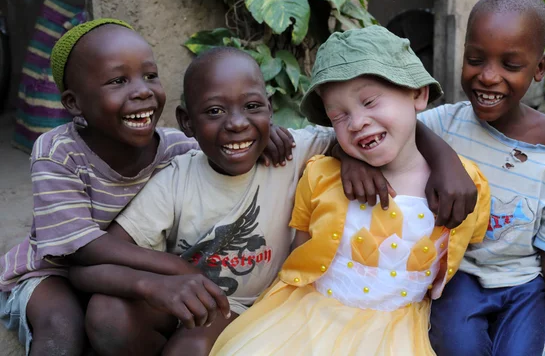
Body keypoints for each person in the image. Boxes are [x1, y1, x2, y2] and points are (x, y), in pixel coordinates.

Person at [71, 45, 484, 356]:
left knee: (191, 349)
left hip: (255, 309)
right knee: (108, 315)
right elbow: (86, 268)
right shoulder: (176, 182)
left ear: (271, 111)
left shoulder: (298, 151)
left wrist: (373, 159)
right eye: (214, 111)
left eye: (251, 108)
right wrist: (161, 280)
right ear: (186, 123)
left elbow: (377, 132)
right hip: (204, 302)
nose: (236, 124)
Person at [0, 19, 296, 356]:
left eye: (150, 75)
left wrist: (261, 133)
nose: (142, 90)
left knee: (117, 319)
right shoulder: (57, 153)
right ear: (74, 103)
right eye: (118, 80)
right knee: (62, 326)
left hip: (123, 274)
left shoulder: (175, 146)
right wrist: (175, 271)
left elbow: (225, 140)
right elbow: (81, 250)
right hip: (55, 272)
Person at [209, 26, 491, 356]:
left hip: (398, 333)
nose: (356, 123)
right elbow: (303, 255)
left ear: (418, 94)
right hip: (309, 319)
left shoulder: (467, 184)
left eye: (369, 101)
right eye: (339, 116)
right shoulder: (321, 175)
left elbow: (467, 252)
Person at [420, 0, 545, 356]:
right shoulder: (446, 124)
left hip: (523, 285)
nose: (488, 77)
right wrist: (444, 156)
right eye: (475, 59)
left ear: (539, 68)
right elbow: (395, 129)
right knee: (457, 347)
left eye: (510, 65)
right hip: (458, 276)